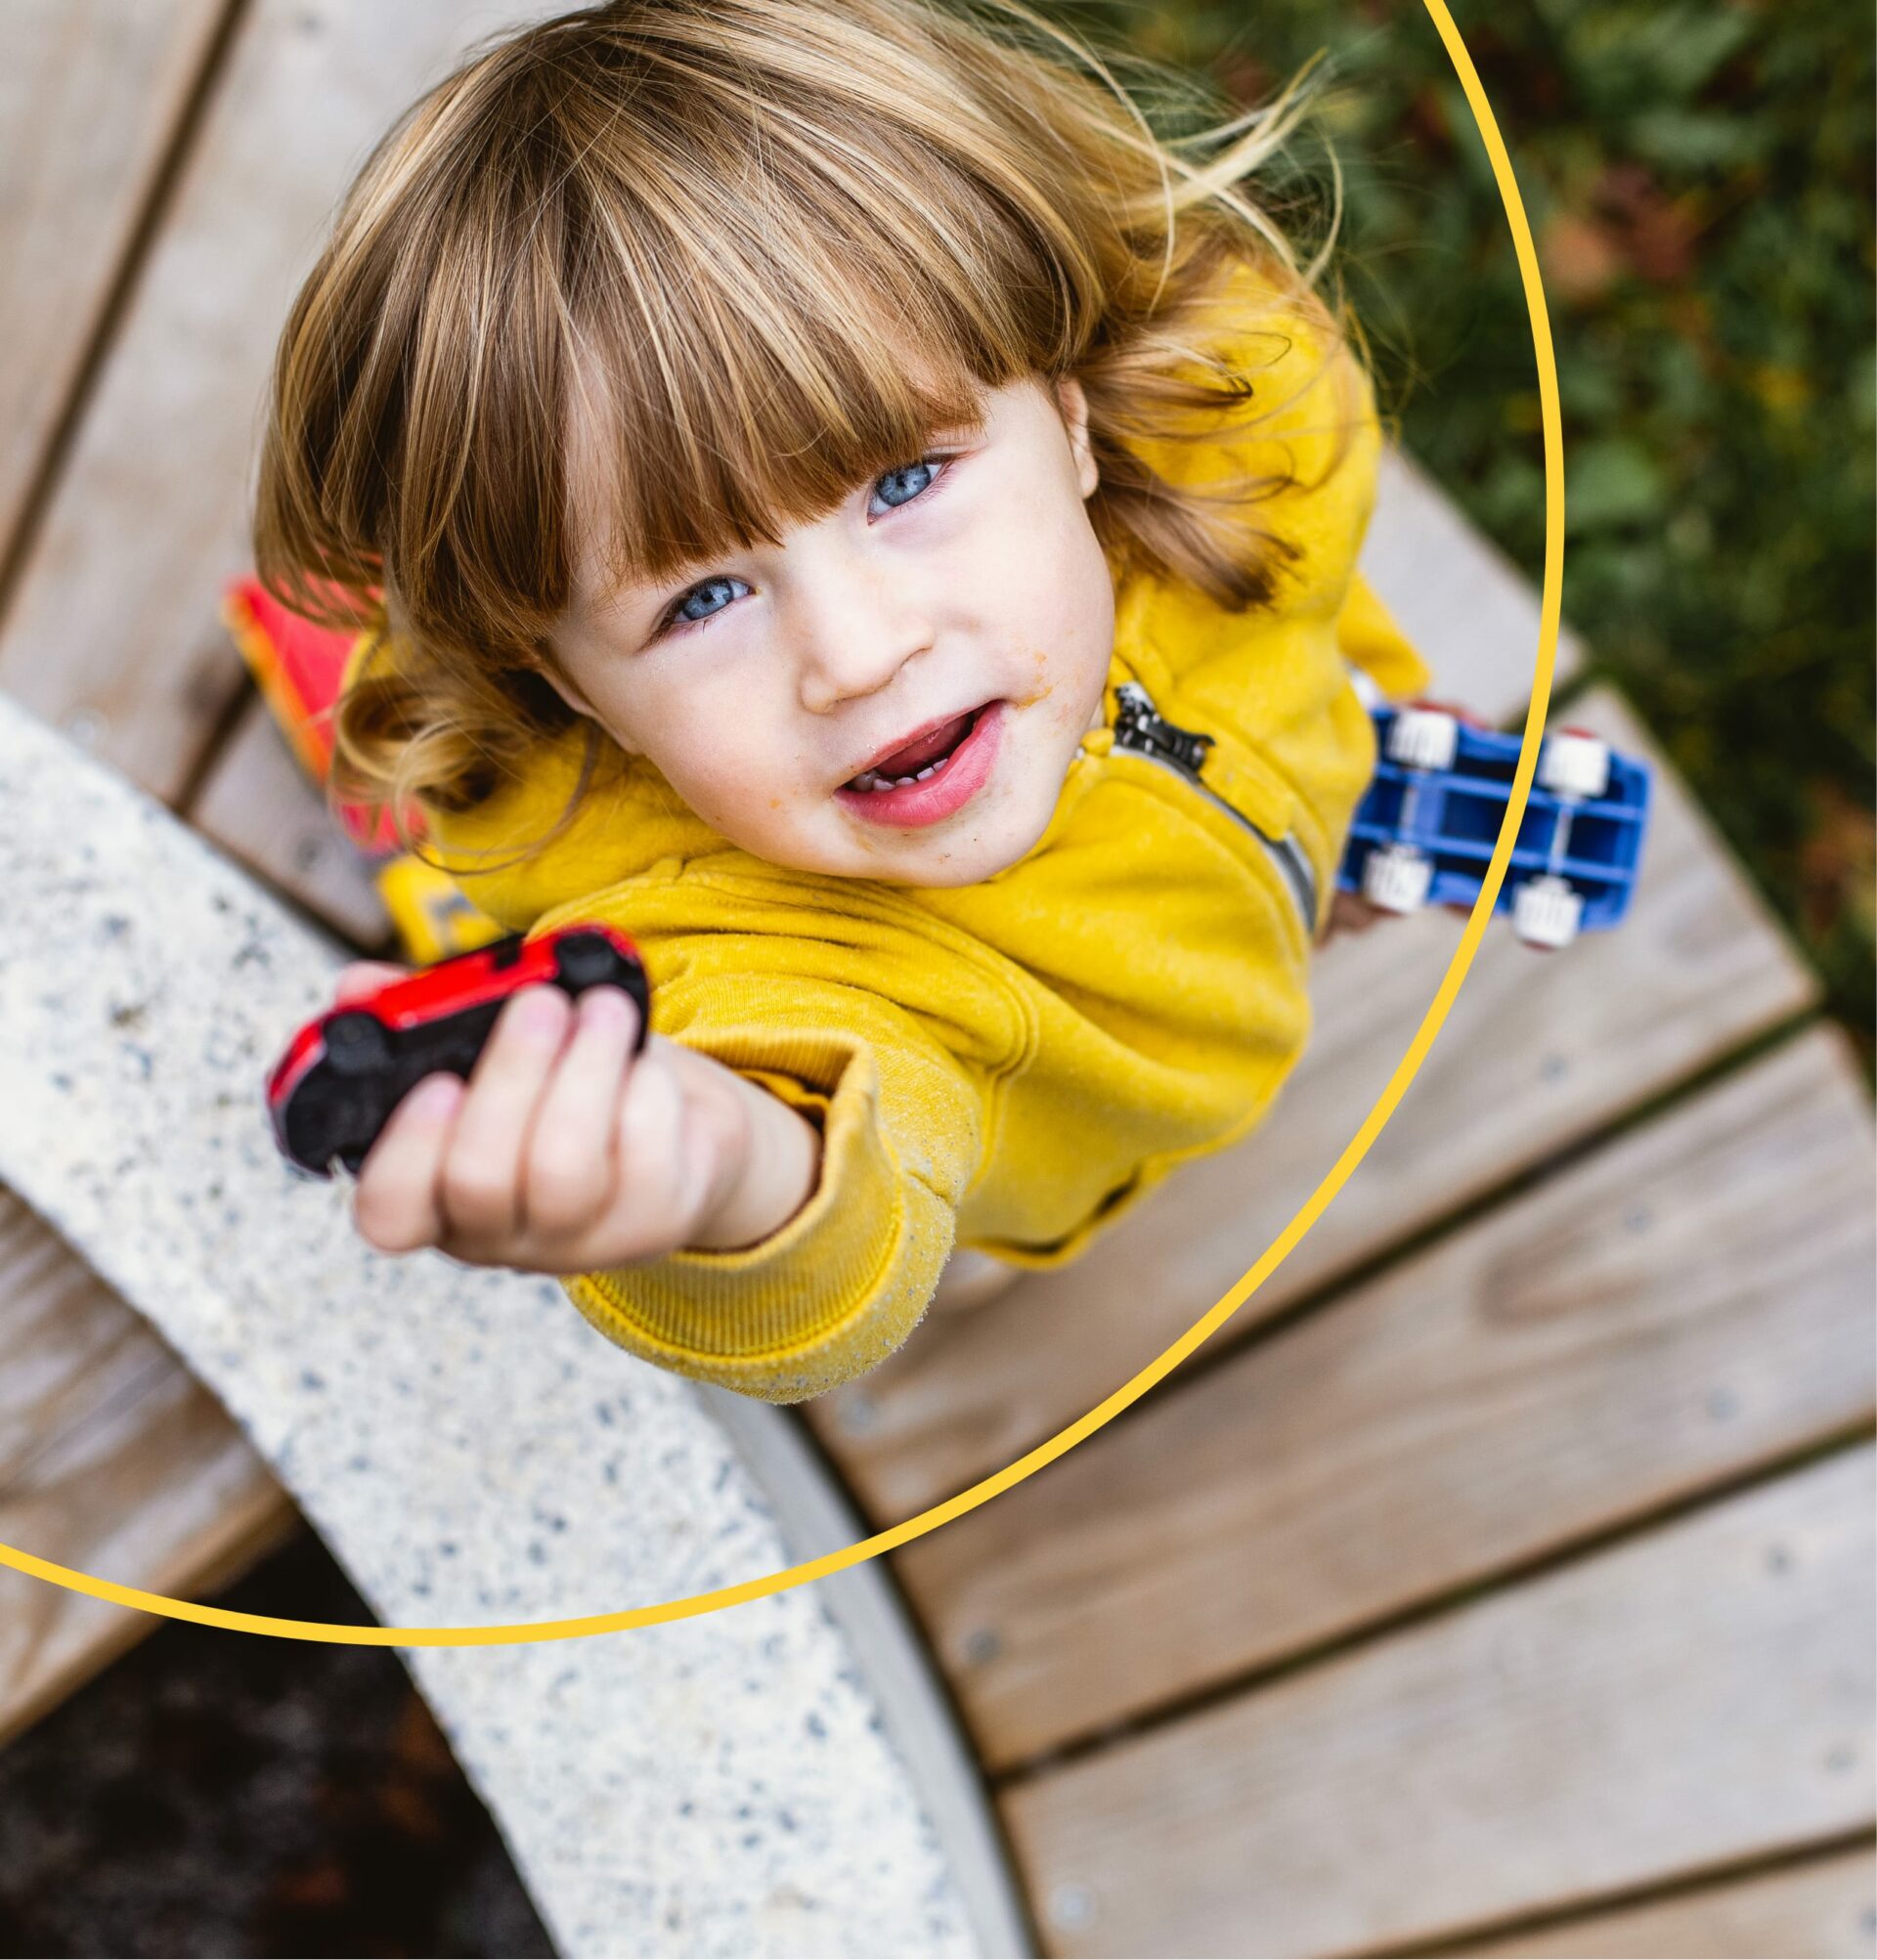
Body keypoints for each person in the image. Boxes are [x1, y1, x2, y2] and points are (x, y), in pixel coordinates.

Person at [252, 0, 1429, 1404]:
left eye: (906, 482)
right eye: (699, 600)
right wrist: (712, 1168)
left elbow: (1309, 609)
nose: (860, 652)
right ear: (572, 682)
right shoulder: (751, 942)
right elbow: (807, 1116)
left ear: (1065, 414)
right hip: (1018, 1149)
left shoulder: (1246, 419)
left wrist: (1374, 727)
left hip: (1243, 915)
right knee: (943, 1224)